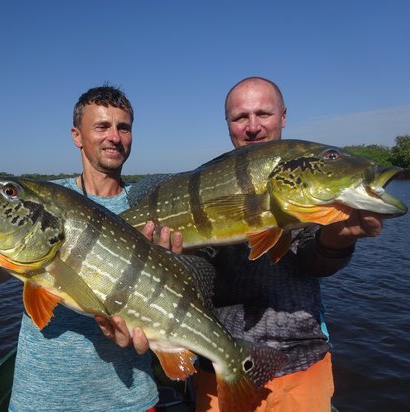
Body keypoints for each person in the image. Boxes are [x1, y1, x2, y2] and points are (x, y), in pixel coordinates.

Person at [111, 77, 385, 411]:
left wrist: (338, 238)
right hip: (218, 366)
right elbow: (198, 277)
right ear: (229, 124)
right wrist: (173, 256)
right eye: (241, 117)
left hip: (300, 363)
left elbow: (315, 261)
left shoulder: (304, 190)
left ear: (283, 116)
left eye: (263, 114)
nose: (253, 126)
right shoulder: (207, 178)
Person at [0, 85, 182, 412]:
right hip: (40, 398)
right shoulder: (45, 199)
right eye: (102, 126)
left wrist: (173, 266)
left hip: (129, 399)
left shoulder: (153, 209)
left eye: (123, 127)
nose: (114, 137)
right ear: (77, 136)